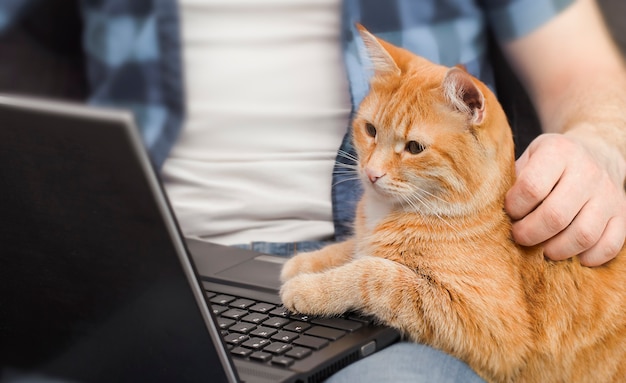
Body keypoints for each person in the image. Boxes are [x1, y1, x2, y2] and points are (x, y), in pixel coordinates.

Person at [1, 0, 625, 381]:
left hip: (387, 288)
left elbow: (590, 72)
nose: (375, 165)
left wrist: (598, 147)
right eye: (371, 133)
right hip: (150, 258)